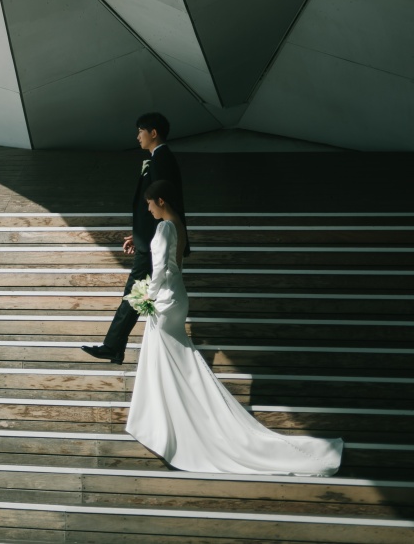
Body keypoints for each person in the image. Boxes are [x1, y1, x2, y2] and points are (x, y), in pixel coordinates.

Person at [126, 180, 343, 474]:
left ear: (161, 200)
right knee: (179, 360)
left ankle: (164, 422)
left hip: (164, 298)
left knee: (167, 357)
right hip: (178, 296)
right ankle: (174, 417)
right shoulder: (179, 225)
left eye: (150, 203)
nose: (148, 209)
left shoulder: (164, 227)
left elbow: (161, 268)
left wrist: (146, 296)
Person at [83, 111, 185, 365]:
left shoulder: (162, 159)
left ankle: (113, 346)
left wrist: (153, 238)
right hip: (149, 239)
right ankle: (114, 346)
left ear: (153, 132)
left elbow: (163, 203)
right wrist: (139, 233)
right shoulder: (158, 158)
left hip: (153, 243)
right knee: (134, 292)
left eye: (140, 131)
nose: (138, 136)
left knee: (134, 291)